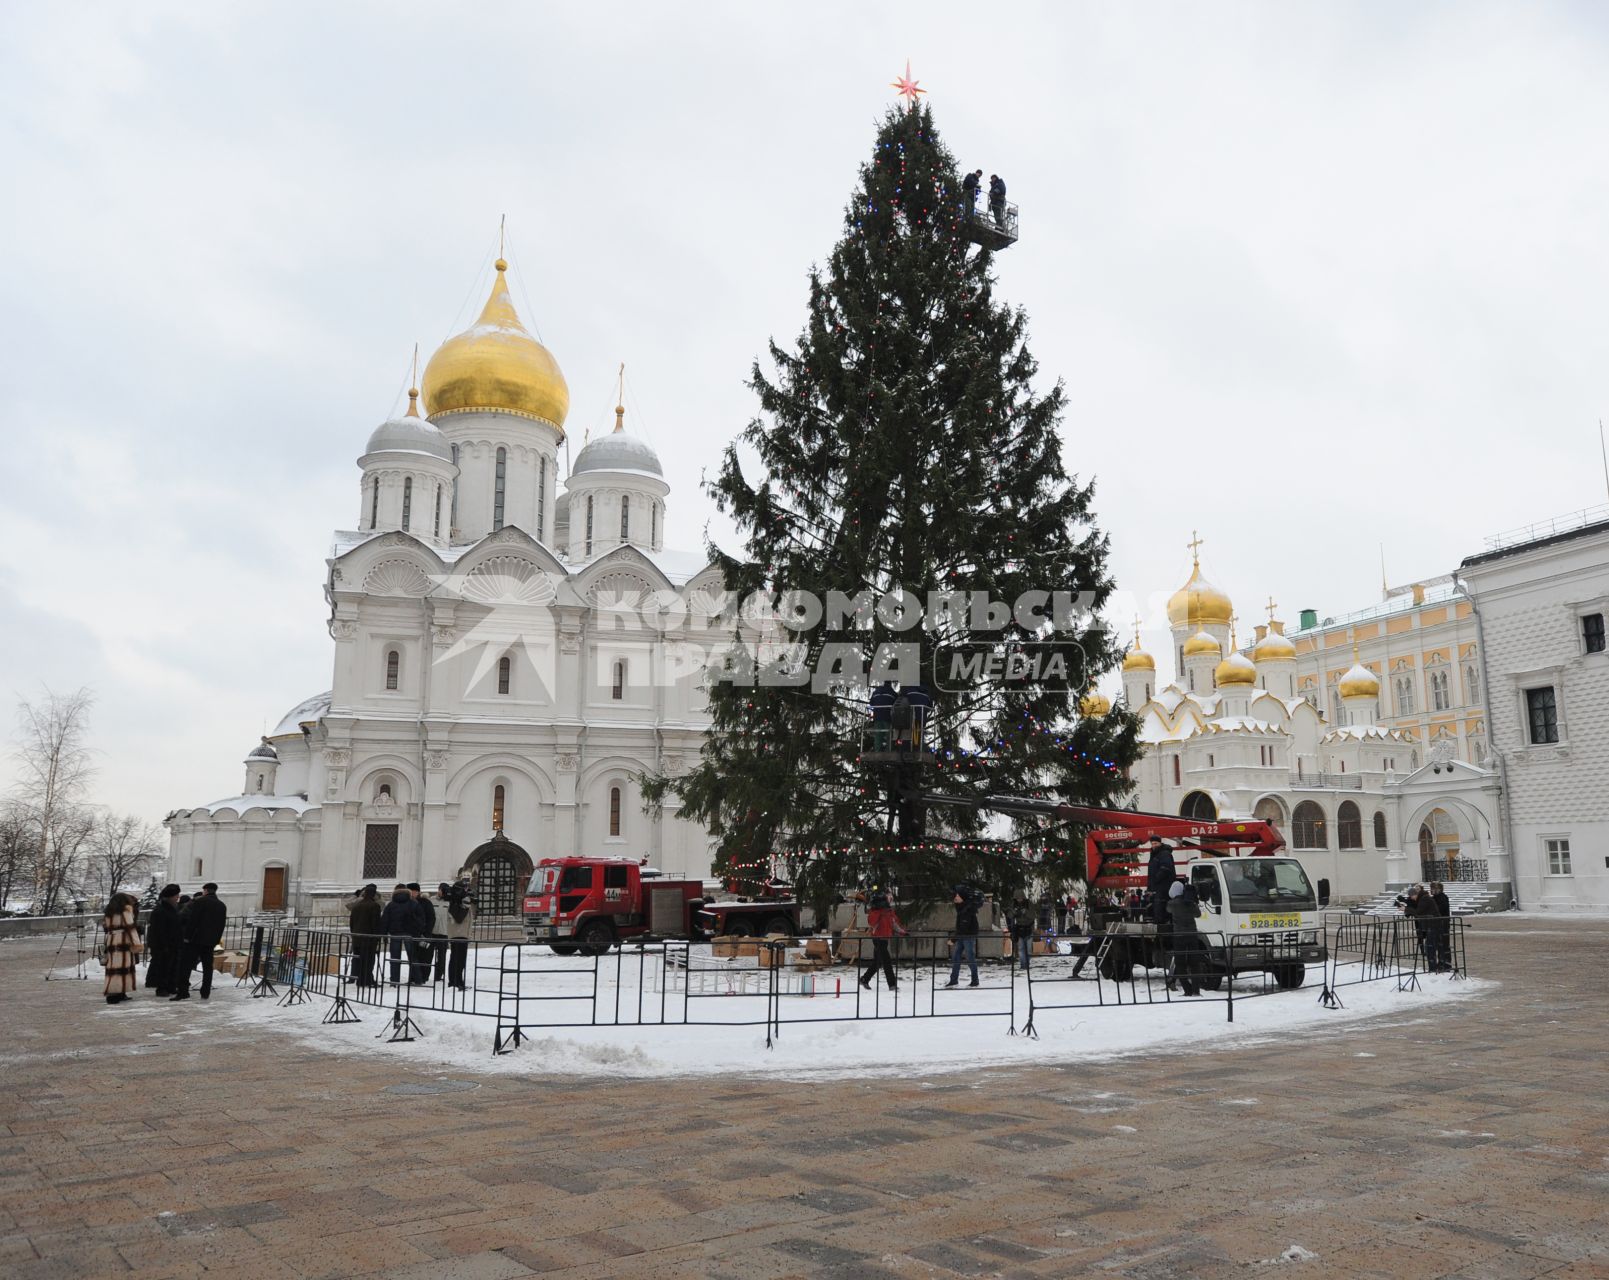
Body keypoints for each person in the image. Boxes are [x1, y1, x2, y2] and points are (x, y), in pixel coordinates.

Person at [173, 882, 227, 1001]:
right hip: (210, 942)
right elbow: (221, 925)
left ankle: (183, 991)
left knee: (185, 966)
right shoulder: (221, 905)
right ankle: (205, 992)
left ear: (206, 891)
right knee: (208, 967)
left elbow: (193, 920)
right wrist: (216, 940)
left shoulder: (200, 902)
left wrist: (187, 936)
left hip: (195, 940)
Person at [858, 891, 906, 991]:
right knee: (887, 962)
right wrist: (878, 912)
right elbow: (872, 923)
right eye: (889, 899)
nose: (890, 901)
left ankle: (864, 979)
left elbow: (894, 924)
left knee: (878, 962)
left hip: (884, 939)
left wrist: (903, 932)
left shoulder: (889, 911)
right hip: (878, 939)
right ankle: (892, 984)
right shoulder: (875, 911)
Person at [101, 892, 142, 1005]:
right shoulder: (125, 911)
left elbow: (106, 928)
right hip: (123, 941)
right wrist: (136, 944)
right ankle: (116, 993)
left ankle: (117, 992)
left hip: (111, 940)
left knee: (113, 967)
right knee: (123, 967)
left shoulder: (108, 913)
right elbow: (131, 928)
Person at [144, 883, 183, 997]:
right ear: (170, 897)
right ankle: (162, 988)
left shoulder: (171, 909)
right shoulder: (160, 910)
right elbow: (158, 930)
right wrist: (162, 945)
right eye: (176, 895)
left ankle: (171, 986)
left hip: (173, 943)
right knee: (163, 967)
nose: (177, 898)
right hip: (163, 945)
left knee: (172, 966)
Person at [1166, 879, 1202, 997]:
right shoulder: (1190, 902)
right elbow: (1198, 914)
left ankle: (1187, 989)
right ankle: (1196, 990)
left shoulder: (1172, 904)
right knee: (1194, 963)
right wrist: (1193, 901)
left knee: (1180, 963)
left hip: (1179, 936)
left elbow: (1167, 910)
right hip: (1192, 935)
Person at [381, 884, 422, 984]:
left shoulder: (391, 905)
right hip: (410, 933)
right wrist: (418, 931)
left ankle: (394, 980)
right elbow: (420, 919)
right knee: (413, 957)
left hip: (395, 933)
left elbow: (384, 920)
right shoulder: (414, 903)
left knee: (395, 958)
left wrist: (384, 934)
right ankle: (417, 979)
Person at [944, 884, 981, 988]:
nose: (955, 897)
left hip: (968, 936)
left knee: (970, 958)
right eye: (955, 895)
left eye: (958, 896)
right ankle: (954, 980)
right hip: (962, 935)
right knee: (956, 957)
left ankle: (975, 980)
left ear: (963, 897)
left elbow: (963, 927)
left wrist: (953, 939)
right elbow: (961, 927)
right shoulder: (961, 907)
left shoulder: (967, 909)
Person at [347, 884, 382, 988]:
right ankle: (366, 980)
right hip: (369, 938)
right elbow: (375, 923)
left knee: (360, 960)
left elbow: (352, 922)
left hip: (357, 937)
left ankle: (362, 980)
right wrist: (377, 936)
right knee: (369, 961)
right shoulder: (374, 906)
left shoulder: (357, 905)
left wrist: (354, 934)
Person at [444, 880, 476, 991]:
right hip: (457, 934)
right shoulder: (454, 902)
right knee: (456, 959)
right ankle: (454, 982)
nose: (467, 891)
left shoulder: (459, 901)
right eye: (465, 889)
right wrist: (465, 905)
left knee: (460, 960)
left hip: (462, 934)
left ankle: (459, 981)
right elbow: (459, 917)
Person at [407, 883, 436, 985]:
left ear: (417, 892)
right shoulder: (408, 902)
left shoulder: (425, 903)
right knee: (413, 957)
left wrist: (426, 933)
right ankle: (413, 977)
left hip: (424, 935)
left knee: (424, 957)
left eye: (411, 891)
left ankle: (423, 977)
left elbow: (431, 919)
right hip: (412, 934)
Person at [1428, 881, 1452, 972]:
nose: (1431, 890)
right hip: (1437, 924)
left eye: (1433, 889)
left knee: (1444, 945)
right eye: (1431, 888)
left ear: (1439, 889)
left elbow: (1440, 909)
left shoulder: (1443, 897)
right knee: (1439, 945)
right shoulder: (1434, 898)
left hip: (1443, 924)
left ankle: (1446, 964)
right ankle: (1441, 963)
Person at [1007, 893, 1035, 971]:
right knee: (1021, 949)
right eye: (1017, 898)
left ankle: (1027, 964)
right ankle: (1023, 965)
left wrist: (1026, 912)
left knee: (1028, 949)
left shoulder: (1029, 904)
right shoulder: (1014, 904)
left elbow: (1033, 916)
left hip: (1029, 928)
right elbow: (1009, 915)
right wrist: (1014, 911)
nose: (1019, 900)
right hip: (1019, 929)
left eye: (1020, 898)